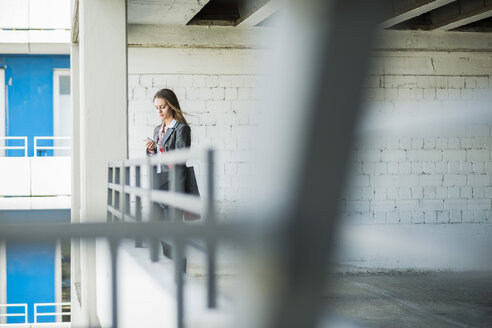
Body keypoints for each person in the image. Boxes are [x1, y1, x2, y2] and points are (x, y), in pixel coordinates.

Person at [146, 88, 191, 195]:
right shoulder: (157, 130)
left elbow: (181, 158)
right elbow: (154, 159)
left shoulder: (181, 128)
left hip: (173, 180)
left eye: (163, 107)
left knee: (172, 211)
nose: (159, 111)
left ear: (171, 106)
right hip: (158, 179)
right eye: (156, 108)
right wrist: (151, 150)